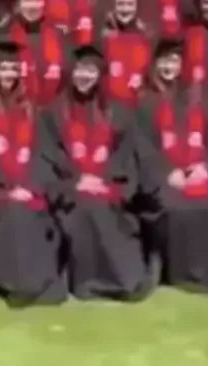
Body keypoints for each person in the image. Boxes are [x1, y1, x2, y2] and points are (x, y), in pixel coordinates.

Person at [40, 43, 149, 300]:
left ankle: (122, 280)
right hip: (70, 188)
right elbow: (48, 155)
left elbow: (125, 156)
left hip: (106, 185)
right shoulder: (53, 113)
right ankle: (87, 283)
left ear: (100, 75)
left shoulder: (117, 112)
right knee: (86, 210)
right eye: (79, 70)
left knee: (105, 210)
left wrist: (105, 181)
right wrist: (78, 180)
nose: (84, 77)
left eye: (91, 71)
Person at [135, 37, 208, 297]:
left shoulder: (199, 98)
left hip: (200, 171)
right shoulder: (144, 101)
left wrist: (206, 168)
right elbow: (141, 147)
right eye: (164, 61)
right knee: (173, 205)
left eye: (174, 61)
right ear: (154, 65)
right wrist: (167, 173)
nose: (169, 67)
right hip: (164, 176)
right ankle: (179, 273)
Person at [0, 37, 66, 306]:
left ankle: (34, 283)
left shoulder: (32, 110)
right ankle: (12, 282)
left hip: (28, 186)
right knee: (10, 214)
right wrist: (5, 186)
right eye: (3, 69)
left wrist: (30, 185)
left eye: (14, 69)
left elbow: (42, 154)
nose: (9, 75)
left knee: (30, 213)